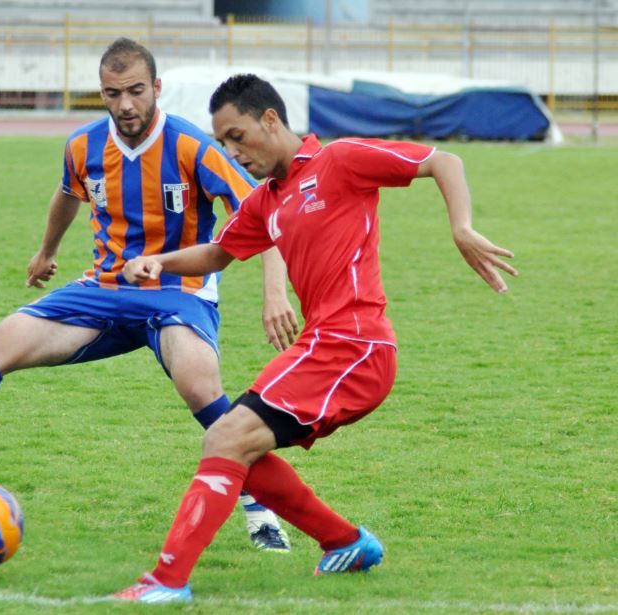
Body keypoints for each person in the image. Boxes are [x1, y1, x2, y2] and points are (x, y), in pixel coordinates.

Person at [0, 41, 299, 552]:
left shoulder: (193, 146)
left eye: (136, 91)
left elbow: (265, 213)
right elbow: (67, 194)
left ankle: (261, 505)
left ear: (157, 89)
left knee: (197, 384)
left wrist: (273, 294)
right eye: (113, 93)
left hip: (178, 291)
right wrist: (45, 251)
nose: (125, 105)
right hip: (103, 287)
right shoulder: (83, 146)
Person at [112, 73, 519, 602]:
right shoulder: (267, 202)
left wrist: (461, 227)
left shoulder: (341, 160)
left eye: (237, 136)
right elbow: (217, 254)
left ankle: (166, 582)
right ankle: (345, 542)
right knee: (239, 447)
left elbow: (444, 160)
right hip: (325, 345)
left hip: (356, 345)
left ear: (271, 120)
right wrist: (157, 263)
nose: (233, 151)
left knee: (226, 437)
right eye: (222, 142)